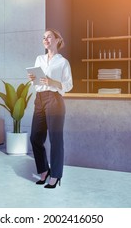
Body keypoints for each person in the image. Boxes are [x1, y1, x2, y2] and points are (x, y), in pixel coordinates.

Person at [28, 29, 73, 189]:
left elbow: (68, 85)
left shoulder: (63, 62)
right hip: (39, 99)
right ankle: (44, 170)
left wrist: (52, 82)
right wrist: (33, 79)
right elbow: (37, 83)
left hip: (54, 100)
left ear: (57, 40)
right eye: (43, 37)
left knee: (55, 140)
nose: (45, 39)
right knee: (35, 138)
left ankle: (55, 175)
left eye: (49, 37)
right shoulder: (39, 59)